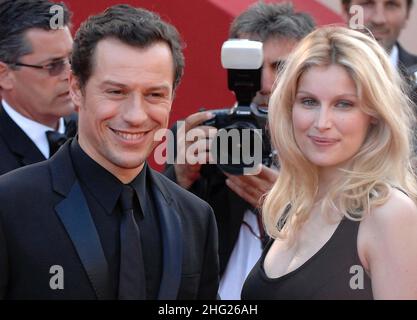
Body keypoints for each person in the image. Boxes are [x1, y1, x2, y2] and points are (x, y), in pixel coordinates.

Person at [0, 4, 219, 300]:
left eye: (154, 94)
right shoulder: (10, 206)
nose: (136, 115)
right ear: (76, 89)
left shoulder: (196, 217)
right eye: (116, 92)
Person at [241, 26, 417, 300]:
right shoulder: (294, 204)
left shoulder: (388, 214)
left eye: (343, 104)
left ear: (374, 114)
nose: (322, 123)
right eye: (309, 101)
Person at [164, 2, 315, 299]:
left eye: (282, 67)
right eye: (254, 68)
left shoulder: (325, 143)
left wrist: (290, 206)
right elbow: (152, 240)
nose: (267, 83)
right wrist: (178, 177)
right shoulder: (197, 135)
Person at [0, 0, 76, 175]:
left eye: (73, 59)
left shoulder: (95, 133)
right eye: (53, 65)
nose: (70, 75)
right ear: (4, 75)